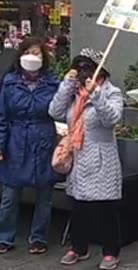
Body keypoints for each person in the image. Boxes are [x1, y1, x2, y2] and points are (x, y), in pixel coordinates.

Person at [49, 48, 124, 270]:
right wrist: (66, 86)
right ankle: (78, 247)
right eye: (79, 67)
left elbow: (112, 119)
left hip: (102, 158)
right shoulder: (74, 93)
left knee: (104, 207)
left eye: (87, 67)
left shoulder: (111, 92)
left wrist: (96, 94)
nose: (83, 72)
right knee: (78, 205)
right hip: (79, 156)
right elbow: (54, 111)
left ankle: (111, 251)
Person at [0, 37, 60, 255]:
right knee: (10, 195)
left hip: (44, 140)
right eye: (29, 52)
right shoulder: (9, 82)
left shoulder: (53, 84)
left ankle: (39, 238)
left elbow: (60, 110)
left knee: (45, 196)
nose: (33, 57)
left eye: (38, 53)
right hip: (16, 141)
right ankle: (4, 237)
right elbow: (2, 116)